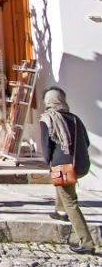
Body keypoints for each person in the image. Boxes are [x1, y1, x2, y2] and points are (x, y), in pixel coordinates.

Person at [40, 87, 94, 255]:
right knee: (63, 189)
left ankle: (87, 243)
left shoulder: (47, 119)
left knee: (71, 202)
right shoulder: (75, 119)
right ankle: (59, 211)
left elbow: (46, 147)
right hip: (82, 165)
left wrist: (50, 163)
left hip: (64, 168)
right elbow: (87, 142)